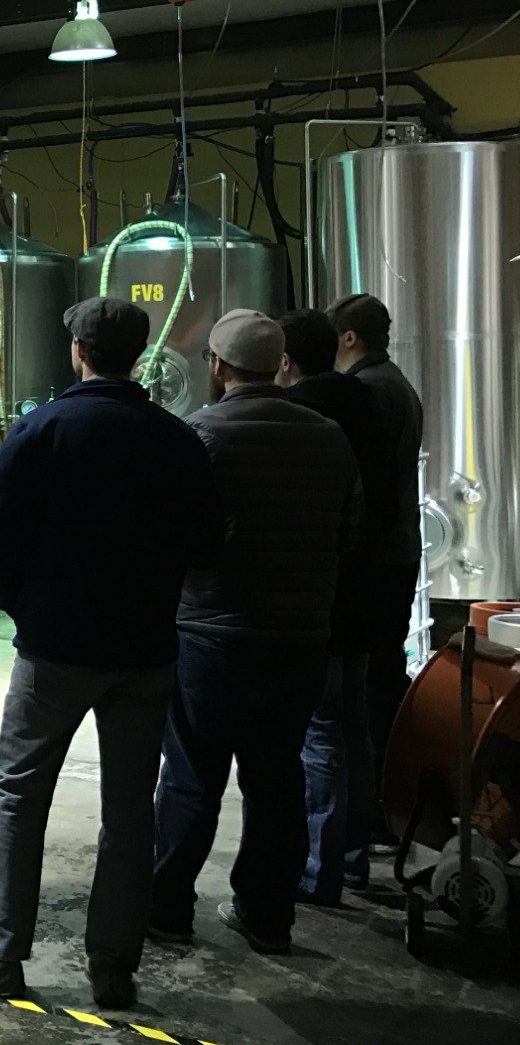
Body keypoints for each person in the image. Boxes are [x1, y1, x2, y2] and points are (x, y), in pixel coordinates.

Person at [0, 299, 221, 1010]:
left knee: (18, 795)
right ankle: (114, 965)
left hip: (55, 649)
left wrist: (26, 607)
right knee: (131, 808)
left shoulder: (43, 429)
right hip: (145, 651)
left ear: (79, 351)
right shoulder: (177, 439)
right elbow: (209, 545)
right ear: (138, 356)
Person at [149, 309, 361, 956]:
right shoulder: (328, 437)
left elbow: (175, 538)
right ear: (279, 364)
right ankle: (268, 916)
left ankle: (168, 909)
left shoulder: (200, 434)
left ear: (218, 365)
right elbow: (348, 532)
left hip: (210, 636)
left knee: (191, 776)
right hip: (299, 638)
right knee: (276, 780)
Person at [277, 310, 392, 907]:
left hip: (319, 596)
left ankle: (317, 871)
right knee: (352, 728)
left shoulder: (306, 416)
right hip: (366, 588)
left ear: (285, 360)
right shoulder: (372, 403)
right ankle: (350, 861)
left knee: (318, 734)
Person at [328, 292, 425, 827]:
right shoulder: (395, 383)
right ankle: (385, 800)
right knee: (380, 674)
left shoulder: (371, 391)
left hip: (379, 557)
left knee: (374, 683)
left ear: (348, 337)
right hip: (396, 550)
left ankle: (379, 803)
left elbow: (369, 485)